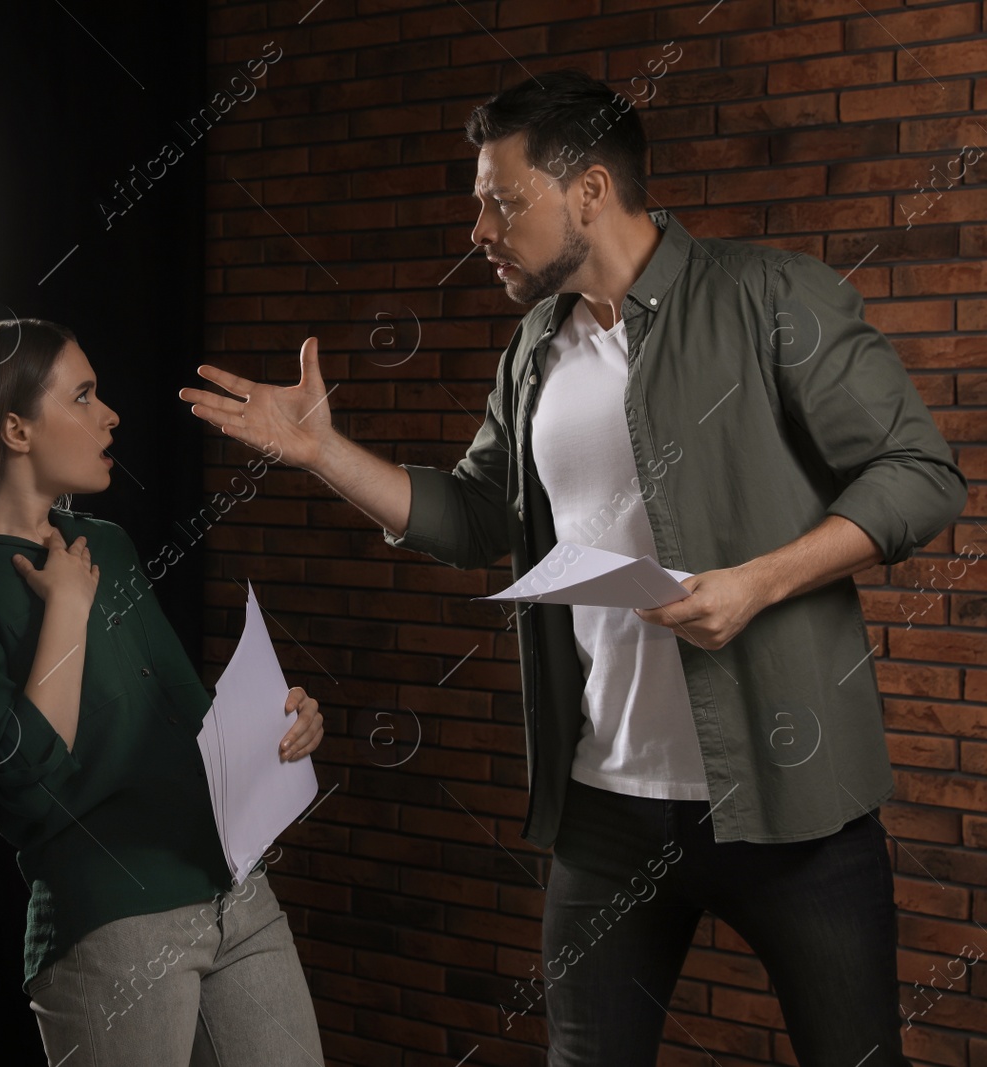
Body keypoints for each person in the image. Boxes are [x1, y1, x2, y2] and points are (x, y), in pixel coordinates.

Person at [179, 69, 966, 1066]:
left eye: (501, 202)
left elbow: (921, 474)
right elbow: (472, 517)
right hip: (606, 813)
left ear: (587, 190)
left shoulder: (771, 295)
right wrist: (322, 453)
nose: (479, 231)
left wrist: (754, 583)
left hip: (790, 803)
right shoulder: (531, 352)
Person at [0, 317, 328, 1065]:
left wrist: (278, 729)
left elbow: (187, 720)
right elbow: (24, 788)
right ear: (16, 428)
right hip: (113, 922)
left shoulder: (108, 544)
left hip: (235, 892)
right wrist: (65, 607)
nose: (110, 413)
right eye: (83, 396)